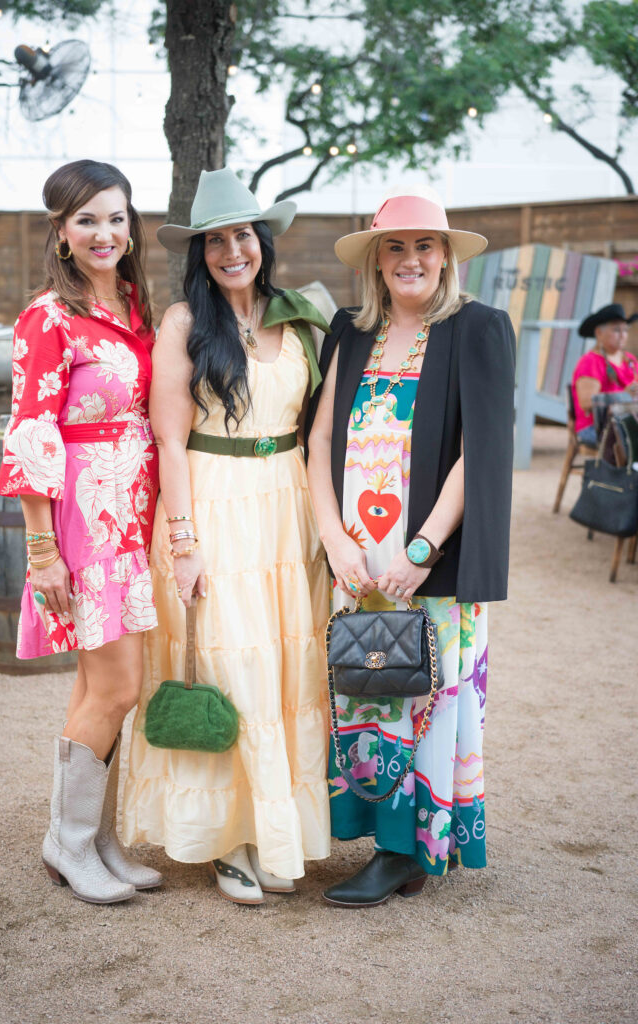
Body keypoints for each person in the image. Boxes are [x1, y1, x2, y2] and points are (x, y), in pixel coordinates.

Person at [122, 167, 332, 904]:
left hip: (287, 507)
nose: (231, 250)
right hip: (212, 504)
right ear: (200, 253)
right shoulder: (185, 322)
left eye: (243, 234)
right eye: (216, 241)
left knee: (284, 674)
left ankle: (275, 829)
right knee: (228, 669)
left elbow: (322, 429)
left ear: (263, 240)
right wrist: (183, 544)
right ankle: (225, 841)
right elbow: (170, 441)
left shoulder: (301, 316)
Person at [305, 183, 515, 907]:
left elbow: (478, 453)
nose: (410, 260)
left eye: (425, 246)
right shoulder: (350, 330)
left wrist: (420, 551)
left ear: (447, 256)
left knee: (426, 693)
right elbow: (321, 439)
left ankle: (409, 850)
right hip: (359, 557)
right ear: (375, 260)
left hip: (429, 558)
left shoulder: (477, 328)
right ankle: (385, 838)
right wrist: (334, 538)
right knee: (368, 690)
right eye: (394, 247)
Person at [0, 159, 163, 904]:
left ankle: (91, 838)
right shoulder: (48, 317)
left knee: (101, 685)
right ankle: (68, 843)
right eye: (87, 220)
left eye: (116, 217)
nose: (105, 232)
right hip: (84, 517)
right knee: (119, 685)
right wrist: (43, 550)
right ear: (61, 233)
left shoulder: (136, 306)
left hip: (135, 513)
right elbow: (31, 430)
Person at [571, 303, 638, 445]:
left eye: (625, 330)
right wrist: (624, 396)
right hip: (596, 428)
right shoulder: (590, 362)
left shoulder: (630, 360)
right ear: (599, 333)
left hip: (627, 421)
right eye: (616, 330)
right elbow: (586, 403)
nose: (622, 335)